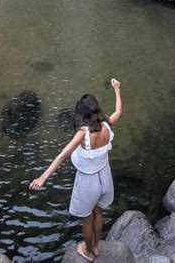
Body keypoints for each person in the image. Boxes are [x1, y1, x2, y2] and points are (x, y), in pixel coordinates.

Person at [29, 78, 122, 261]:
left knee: (86, 218)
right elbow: (119, 111)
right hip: (105, 176)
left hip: (88, 181)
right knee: (98, 211)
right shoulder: (106, 125)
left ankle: (88, 252)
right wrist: (117, 90)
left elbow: (62, 156)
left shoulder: (83, 134)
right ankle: (96, 246)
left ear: (82, 114)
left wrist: (43, 177)